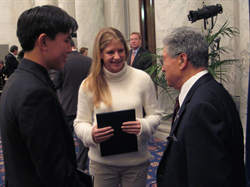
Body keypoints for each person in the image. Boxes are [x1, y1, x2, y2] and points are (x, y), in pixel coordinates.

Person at [0, 5, 87, 187]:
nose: (70, 49)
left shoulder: (18, 79)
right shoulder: (35, 93)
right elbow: (55, 172)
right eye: (66, 40)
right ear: (44, 42)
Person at [156, 26, 247, 187]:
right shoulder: (208, 91)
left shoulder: (202, 108)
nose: (162, 68)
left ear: (182, 60)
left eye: (164, 59)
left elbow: (207, 180)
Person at [74, 27, 162, 187]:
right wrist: (90, 134)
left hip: (136, 163)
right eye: (110, 52)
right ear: (100, 54)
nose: (117, 57)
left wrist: (144, 125)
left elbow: (155, 115)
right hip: (102, 164)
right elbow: (79, 123)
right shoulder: (89, 84)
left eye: (121, 50)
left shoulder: (142, 78)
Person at [51, 38, 92, 170]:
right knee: (83, 141)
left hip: (67, 107)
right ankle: (80, 166)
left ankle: (69, 165)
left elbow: (55, 84)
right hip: (85, 107)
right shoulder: (89, 61)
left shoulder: (62, 62)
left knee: (65, 140)